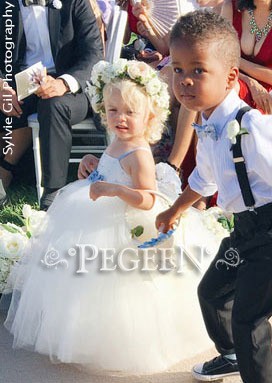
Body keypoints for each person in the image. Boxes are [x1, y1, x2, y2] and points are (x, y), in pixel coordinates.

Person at [3, 59, 223, 374]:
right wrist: (92, 163)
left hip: (125, 227)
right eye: (112, 111)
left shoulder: (140, 154)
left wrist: (116, 190)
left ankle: (118, 340)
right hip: (95, 214)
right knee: (78, 280)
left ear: (149, 116)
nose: (119, 119)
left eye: (129, 113)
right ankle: (79, 332)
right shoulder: (119, 142)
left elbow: (148, 199)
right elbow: (109, 166)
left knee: (116, 289)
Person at [156, 10, 272, 383]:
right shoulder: (204, 125)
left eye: (198, 70)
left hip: (269, 237)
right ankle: (233, 356)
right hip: (244, 234)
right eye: (177, 69)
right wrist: (176, 208)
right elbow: (204, 179)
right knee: (213, 293)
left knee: (250, 320)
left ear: (231, 77)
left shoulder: (251, 128)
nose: (184, 81)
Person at [0, 0, 103, 210]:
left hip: (71, 86)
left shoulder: (75, 2)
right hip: (22, 83)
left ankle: (53, 192)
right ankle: (5, 174)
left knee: (53, 104)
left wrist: (64, 83)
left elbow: (93, 54)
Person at [221, 0, 272, 114]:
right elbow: (218, 57)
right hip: (230, 76)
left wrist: (236, 60)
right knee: (207, 84)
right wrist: (250, 81)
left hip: (265, 96)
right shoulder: (231, 7)